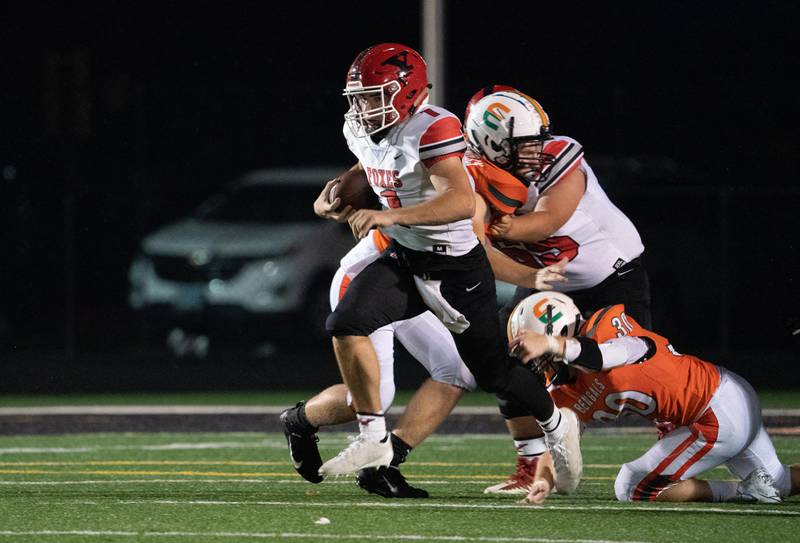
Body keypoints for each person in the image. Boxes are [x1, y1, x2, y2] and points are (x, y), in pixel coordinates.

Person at [313, 43, 581, 492]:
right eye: (359, 97)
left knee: (493, 372)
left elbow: (460, 201)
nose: (363, 107)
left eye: (374, 95)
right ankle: (373, 438)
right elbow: (372, 165)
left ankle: (557, 424)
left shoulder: (433, 126)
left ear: (407, 91)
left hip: (455, 267)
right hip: (403, 255)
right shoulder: (360, 128)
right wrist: (335, 197)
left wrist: (390, 215)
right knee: (347, 322)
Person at [463, 88, 652, 495]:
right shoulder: (468, 174)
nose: (537, 150)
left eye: (536, 140)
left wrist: (505, 227)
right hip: (543, 283)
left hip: (610, 280)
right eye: (524, 145)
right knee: (498, 358)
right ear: (493, 144)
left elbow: (549, 219)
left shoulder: (560, 156)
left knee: (627, 372)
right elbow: (476, 253)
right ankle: (530, 466)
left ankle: (685, 442)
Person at [506, 291, 800, 504]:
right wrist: (544, 478)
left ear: (558, 334)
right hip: (721, 402)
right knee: (779, 482)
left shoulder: (604, 328)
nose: (538, 366)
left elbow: (615, 354)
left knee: (631, 486)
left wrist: (551, 344)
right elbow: (561, 439)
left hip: (716, 411)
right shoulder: (565, 391)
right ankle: (758, 487)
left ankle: (742, 492)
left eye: (539, 355)